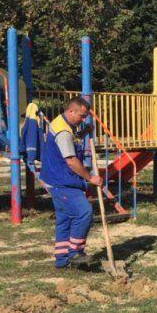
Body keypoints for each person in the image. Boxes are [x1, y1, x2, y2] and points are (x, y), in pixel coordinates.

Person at [39, 97, 102, 269]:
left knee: (65, 219)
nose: (83, 120)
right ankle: (75, 252)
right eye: (81, 116)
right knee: (84, 212)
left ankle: (62, 259)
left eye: (86, 117)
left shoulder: (64, 124)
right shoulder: (64, 132)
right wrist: (90, 178)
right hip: (61, 181)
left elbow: (72, 140)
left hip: (55, 178)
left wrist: (84, 133)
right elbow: (71, 161)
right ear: (71, 110)